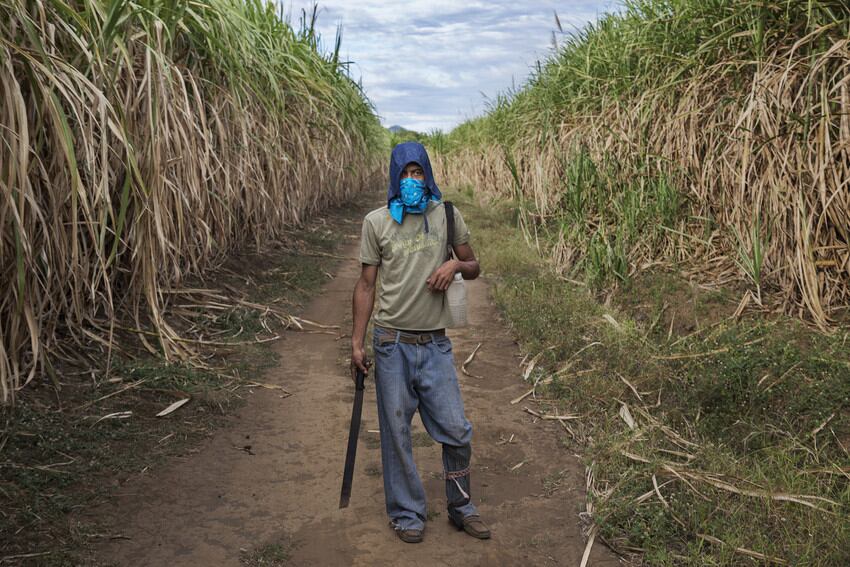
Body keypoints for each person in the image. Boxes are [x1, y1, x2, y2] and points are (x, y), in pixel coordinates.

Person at [350, 141, 490, 544]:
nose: (412, 180)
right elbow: (365, 284)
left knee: (456, 429)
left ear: (427, 174)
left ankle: (461, 506)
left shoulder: (446, 215)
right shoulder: (377, 222)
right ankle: (408, 513)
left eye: (418, 172)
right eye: (405, 173)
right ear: (394, 178)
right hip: (392, 343)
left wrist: (454, 264)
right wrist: (357, 343)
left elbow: (475, 265)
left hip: (435, 345)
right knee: (396, 433)